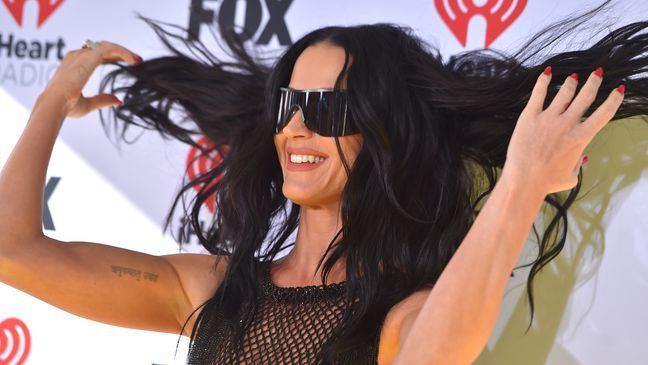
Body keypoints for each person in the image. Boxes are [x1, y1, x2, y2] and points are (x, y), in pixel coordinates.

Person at [1, 0, 647, 363]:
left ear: (382, 133)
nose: (297, 127)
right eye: (288, 104)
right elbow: (12, 252)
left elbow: (436, 353)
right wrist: (50, 104)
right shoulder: (212, 289)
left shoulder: (401, 316)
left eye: (330, 109)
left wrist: (524, 181)